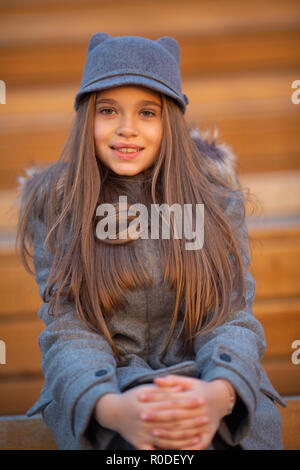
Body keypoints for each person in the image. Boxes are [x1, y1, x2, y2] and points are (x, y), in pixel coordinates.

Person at [16, 33, 286, 451]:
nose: (127, 129)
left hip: (206, 383)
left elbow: (230, 317)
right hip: (110, 390)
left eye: (147, 112)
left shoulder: (213, 198)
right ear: (87, 118)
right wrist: (111, 407)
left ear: (171, 122)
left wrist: (218, 395)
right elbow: (69, 330)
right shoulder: (59, 205)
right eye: (108, 110)